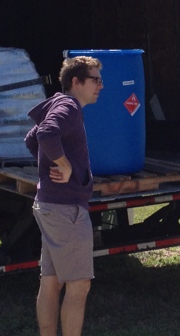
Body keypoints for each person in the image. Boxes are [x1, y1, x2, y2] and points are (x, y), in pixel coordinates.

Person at [25, 56, 104, 336]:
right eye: (95, 80)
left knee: (51, 282)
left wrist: (50, 167)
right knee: (79, 284)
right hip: (64, 210)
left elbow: (31, 138)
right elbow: (45, 134)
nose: (101, 86)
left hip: (51, 206)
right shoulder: (69, 106)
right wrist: (64, 166)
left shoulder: (59, 103)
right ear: (76, 81)